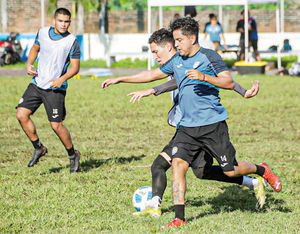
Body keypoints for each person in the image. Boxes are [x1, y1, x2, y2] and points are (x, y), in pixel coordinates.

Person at [101, 28, 266, 218]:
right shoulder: (176, 64)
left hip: (205, 125)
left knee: (172, 166)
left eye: (156, 52)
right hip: (186, 128)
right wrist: (122, 80)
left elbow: (222, 79)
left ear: (169, 46)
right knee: (200, 171)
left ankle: (156, 206)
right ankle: (249, 183)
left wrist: (153, 90)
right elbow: (158, 76)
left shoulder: (192, 60)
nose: (154, 56)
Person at [16, 8, 81, 173]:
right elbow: (35, 49)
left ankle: (73, 155)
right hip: (37, 83)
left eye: (67, 21)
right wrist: (29, 64)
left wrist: (61, 80)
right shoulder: (43, 33)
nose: (64, 24)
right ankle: (39, 148)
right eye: (61, 21)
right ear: (54, 20)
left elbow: (75, 68)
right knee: (21, 115)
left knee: (56, 126)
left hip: (55, 88)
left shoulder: (72, 41)